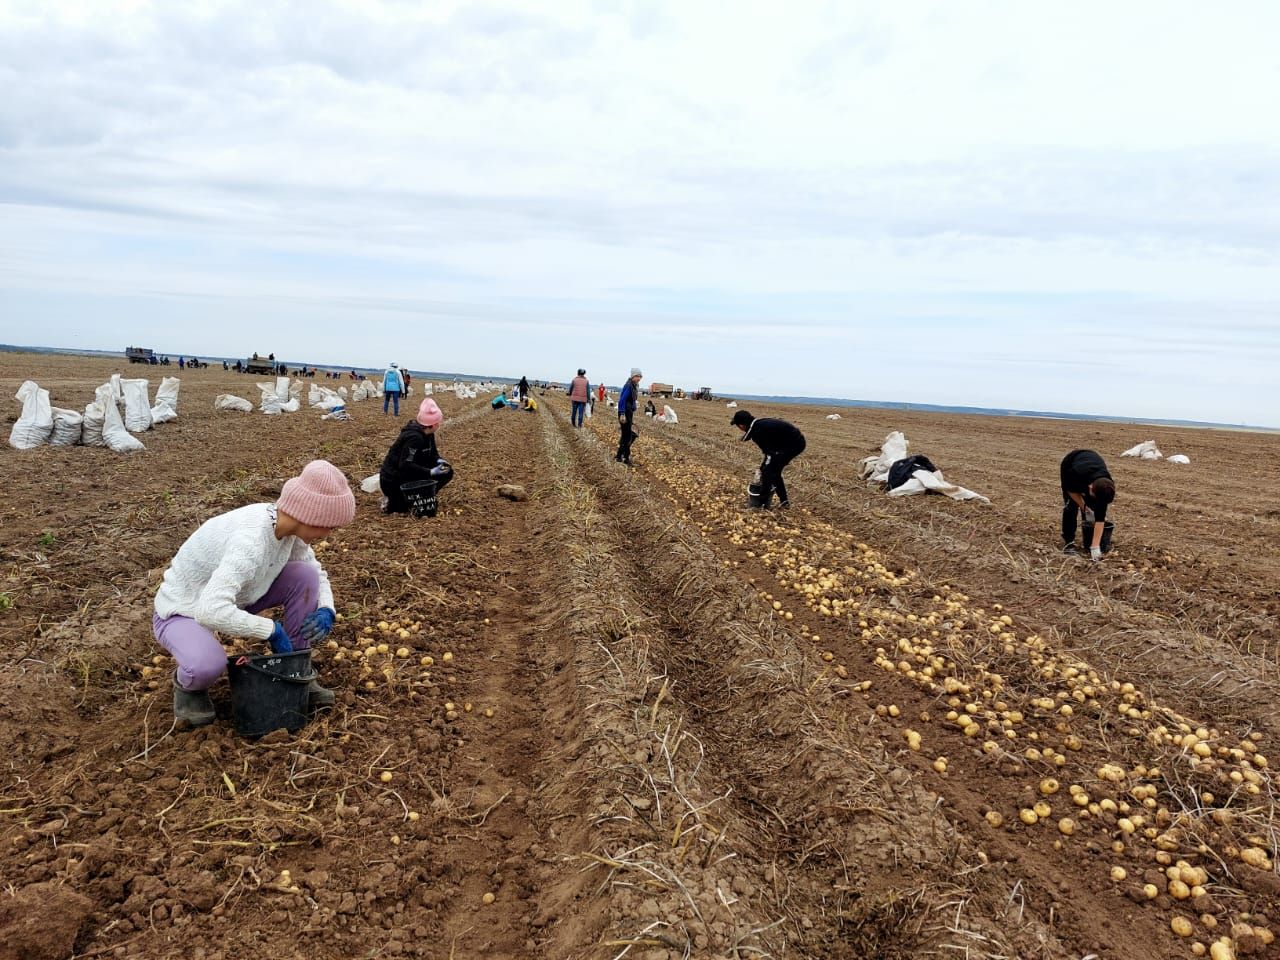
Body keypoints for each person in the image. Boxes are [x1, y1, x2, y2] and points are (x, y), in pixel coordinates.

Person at [152, 460, 355, 727]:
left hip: (240, 596)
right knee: (207, 665)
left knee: (304, 575)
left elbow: (315, 572)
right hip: (186, 609)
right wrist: (270, 630)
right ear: (311, 515)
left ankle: (295, 668)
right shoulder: (250, 541)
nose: (329, 533)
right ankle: (189, 688)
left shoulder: (289, 529)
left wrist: (327, 609)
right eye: (328, 525)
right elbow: (209, 611)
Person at [379, 398, 453, 515]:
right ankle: (394, 499)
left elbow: (433, 454)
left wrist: (439, 461)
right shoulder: (414, 438)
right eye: (438, 421)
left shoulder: (429, 434)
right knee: (404, 508)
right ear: (432, 424)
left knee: (447, 472)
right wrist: (430, 472)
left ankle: (424, 494)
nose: (440, 423)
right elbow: (405, 465)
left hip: (411, 471)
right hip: (394, 479)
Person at [731, 410, 806, 509]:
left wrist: (763, 469)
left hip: (793, 444)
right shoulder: (759, 425)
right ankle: (784, 502)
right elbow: (769, 452)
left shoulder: (758, 431)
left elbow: (770, 453)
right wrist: (763, 466)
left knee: (768, 472)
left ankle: (762, 504)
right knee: (773, 471)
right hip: (788, 444)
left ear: (741, 425)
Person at [1060, 449, 1115, 560]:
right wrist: (1082, 505)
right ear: (1090, 487)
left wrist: (1095, 547)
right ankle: (1068, 542)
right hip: (1070, 463)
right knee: (1071, 507)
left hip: (1091, 466)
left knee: (1093, 508)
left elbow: (1100, 518)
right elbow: (1070, 490)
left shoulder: (1106, 487)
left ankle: (1090, 541)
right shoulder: (1075, 474)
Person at [615, 368, 642, 464]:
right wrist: (622, 413)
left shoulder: (633, 386)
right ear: (632, 376)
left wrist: (634, 406)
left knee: (626, 435)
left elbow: (631, 400)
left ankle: (619, 456)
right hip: (625, 413)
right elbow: (622, 400)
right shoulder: (629, 385)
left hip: (628, 412)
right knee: (627, 436)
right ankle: (625, 458)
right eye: (637, 376)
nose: (639, 378)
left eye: (640, 376)